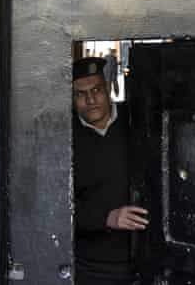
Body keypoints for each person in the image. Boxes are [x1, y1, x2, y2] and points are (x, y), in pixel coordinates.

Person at [72, 57, 149, 284]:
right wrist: (106, 217)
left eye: (96, 89)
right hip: (90, 265)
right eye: (80, 94)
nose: (90, 99)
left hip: (146, 260)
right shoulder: (64, 137)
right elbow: (54, 204)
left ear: (108, 89)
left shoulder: (138, 121)